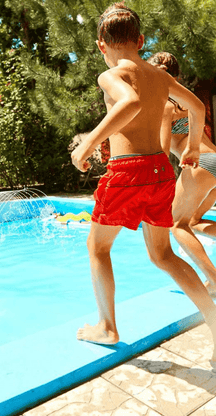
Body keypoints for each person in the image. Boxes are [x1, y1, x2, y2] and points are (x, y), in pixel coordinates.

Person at [71, 2, 216, 367]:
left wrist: (88, 142)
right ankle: (214, 322)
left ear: (101, 44)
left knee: (98, 248)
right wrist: (194, 146)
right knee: (163, 255)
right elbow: (197, 108)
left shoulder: (112, 75)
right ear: (141, 39)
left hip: (128, 172)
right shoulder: (161, 76)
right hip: (159, 171)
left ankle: (107, 326)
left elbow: (130, 102)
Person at [147, 52, 216, 296]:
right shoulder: (186, 100)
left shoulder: (165, 105)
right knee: (194, 221)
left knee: (177, 225)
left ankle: (214, 281)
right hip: (214, 161)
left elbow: (163, 150)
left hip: (201, 166)